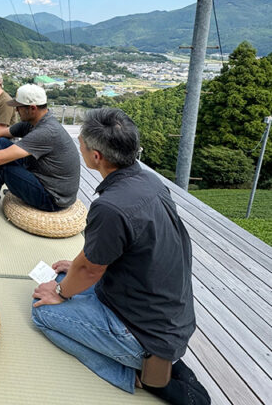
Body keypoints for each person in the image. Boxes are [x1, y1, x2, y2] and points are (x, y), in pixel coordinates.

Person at [31, 108, 209, 403]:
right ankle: (162, 364)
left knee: (42, 311)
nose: (79, 145)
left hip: (141, 329)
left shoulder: (110, 206)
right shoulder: (150, 182)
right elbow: (113, 251)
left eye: (81, 142)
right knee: (63, 276)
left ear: (96, 156)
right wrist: (75, 266)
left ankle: (140, 377)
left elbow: (90, 271)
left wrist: (60, 293)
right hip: (166, 315)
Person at [0, 84, 80, 216]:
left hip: (53, 198)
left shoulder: (46, 131)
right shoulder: (35, 121)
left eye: (19, 107)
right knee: (1, 143)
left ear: (32, 108)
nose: (16, 110)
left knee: (1, 165)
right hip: (43, 176)